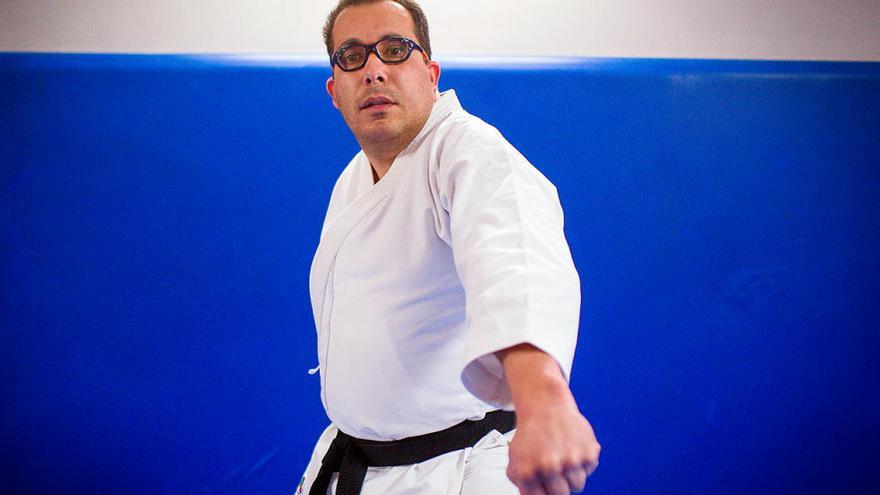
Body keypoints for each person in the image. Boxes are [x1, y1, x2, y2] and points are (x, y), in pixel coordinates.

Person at [299, 1, 600, 494]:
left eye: (395, 50)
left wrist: (542, 398)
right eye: (352, 56)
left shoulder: (469, 154)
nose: (374, 70)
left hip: (452, 472)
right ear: (335, 90)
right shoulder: (355, 176)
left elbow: (511, 261)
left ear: (430, 72)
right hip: (360, 463)